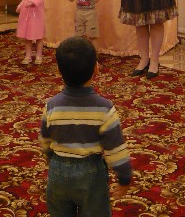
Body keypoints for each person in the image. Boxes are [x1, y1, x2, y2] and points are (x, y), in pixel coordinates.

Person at [40, 37, 132, 216]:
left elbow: (45, 138)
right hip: (90, 176)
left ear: (58, 70)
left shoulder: (51, 105)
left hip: (57, 171)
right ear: (96, 68)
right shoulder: (104, 109)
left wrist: (51, 158)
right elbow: (115, 148)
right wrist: (124, 177)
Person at [16, 0, 45, 64]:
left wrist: (33, 2)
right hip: (26, 15)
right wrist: (20, 6)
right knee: (27, 37)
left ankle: (39, 56)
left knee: (38, 36)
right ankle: (28, 56)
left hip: (36, 16)